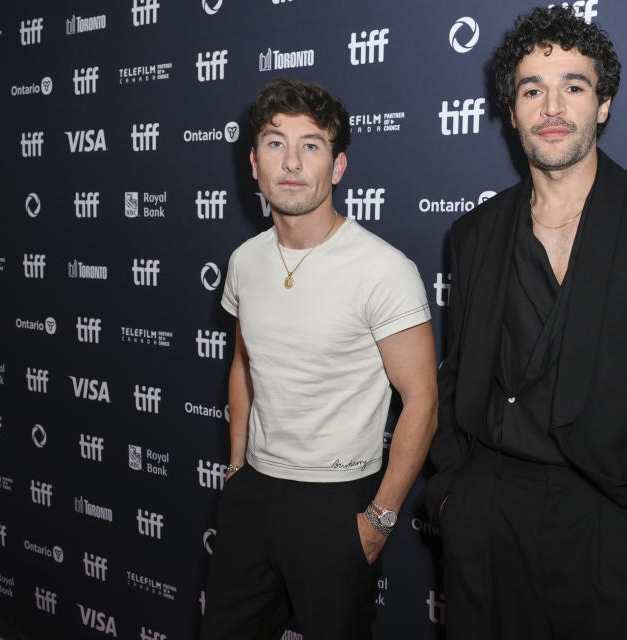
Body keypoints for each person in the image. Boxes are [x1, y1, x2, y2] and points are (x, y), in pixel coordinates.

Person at [424, 7, 627, 639]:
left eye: (574, 85)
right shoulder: (473, 235)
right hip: (490, 516)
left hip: (616, 520)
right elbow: (455, 377)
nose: (553, 106)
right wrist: (453, 499)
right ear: (511, 112)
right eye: (532, 90)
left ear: (604, 104)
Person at [201, 77, 437, 640]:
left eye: (311, 145)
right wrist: (236, 468)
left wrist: (378, 520)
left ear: (337, 167)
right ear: (253, 162)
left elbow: (422, 402)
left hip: (339, 504)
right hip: (253, 493)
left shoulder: (383, 269)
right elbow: (244, 362)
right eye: (275, 142)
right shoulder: (245, 260)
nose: (291, 161)